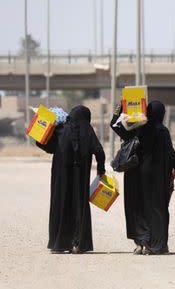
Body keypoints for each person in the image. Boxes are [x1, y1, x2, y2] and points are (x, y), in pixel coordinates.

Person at [110, 100, 175, 255]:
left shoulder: (136, 128)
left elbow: (114, 124)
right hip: (156, 177)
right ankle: (155, 245)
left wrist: (122, 106)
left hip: (135, 175)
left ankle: (140, 243)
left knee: (136, 207)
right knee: (156, 210)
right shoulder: (163, 131)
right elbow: (171, 154)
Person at [37, 106, 105, 254]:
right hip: (80, 179)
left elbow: (44, 144)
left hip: (60, 178)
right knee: (79, 207)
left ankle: (59, 245)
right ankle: (79, 245)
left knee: (60, 204)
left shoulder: (61, 130)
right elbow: (99, 150)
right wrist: (101, 169)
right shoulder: (88, 131)